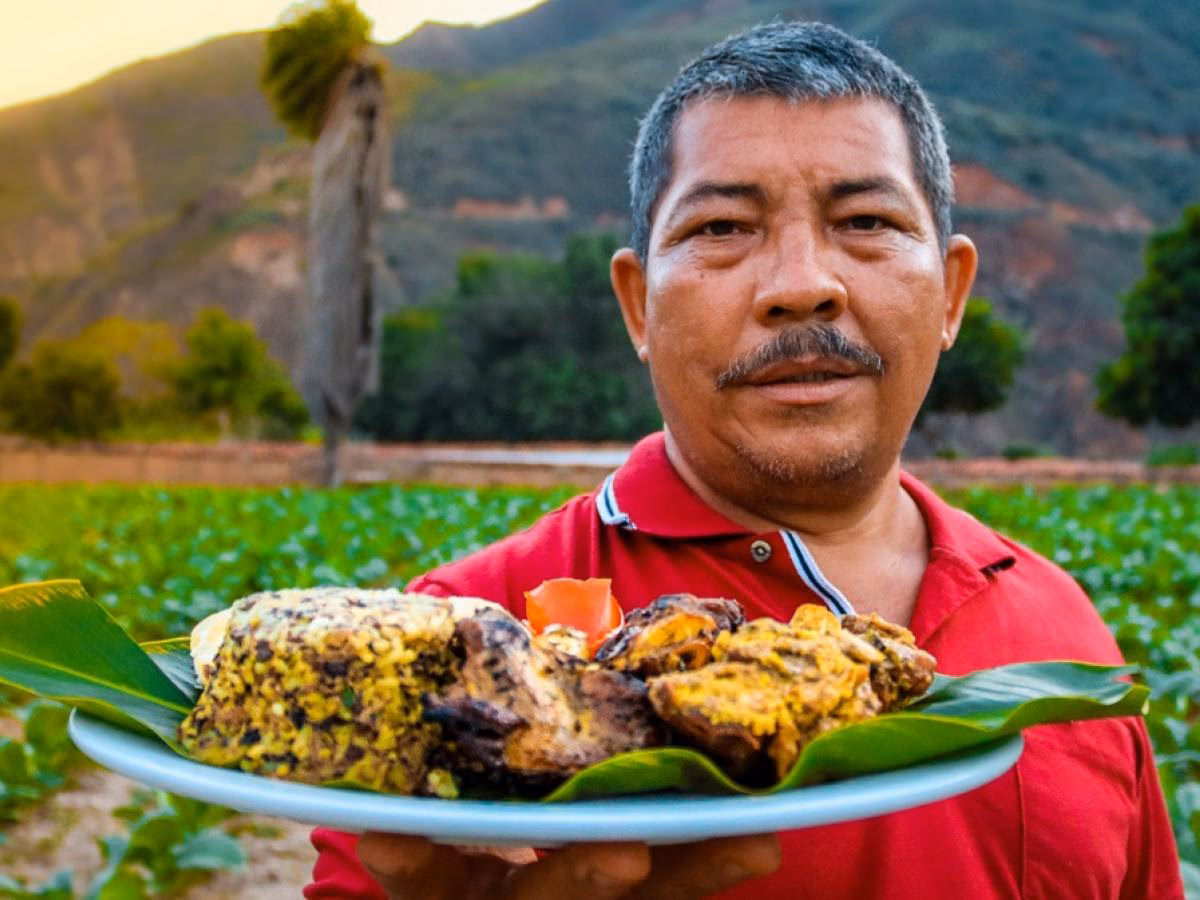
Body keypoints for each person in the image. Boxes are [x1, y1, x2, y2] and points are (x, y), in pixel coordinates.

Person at [305, 21, 1184, 900]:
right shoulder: (450, 646)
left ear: (951, 294)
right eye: (723, 226)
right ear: (638, 306)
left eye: (866, 221)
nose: (801, 286)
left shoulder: (1060, 635)